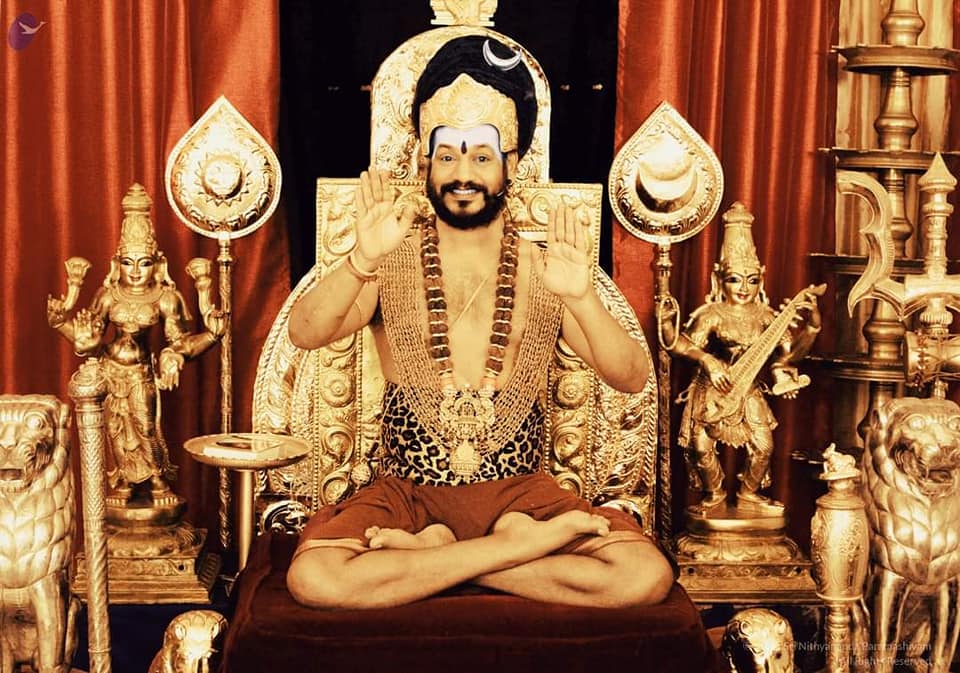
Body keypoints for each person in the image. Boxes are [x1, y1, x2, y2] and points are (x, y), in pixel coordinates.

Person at [285, 35, 674, 609]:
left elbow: (632, 375)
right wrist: (361, 259)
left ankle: (438, 561)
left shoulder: (548, 269)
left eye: (481, 157)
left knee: (643, 574)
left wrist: (583, 297)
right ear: (425, 162)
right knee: (315, 578)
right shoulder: (388, 260)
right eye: (447, 156)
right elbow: (305, 332)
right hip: (409, 495)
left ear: (511, 164)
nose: (462, 173)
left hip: (522, 497)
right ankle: (511, 553)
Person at [47, 184, 224, 505]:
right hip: (110, 371)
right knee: (115, 429)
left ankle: (158, 480)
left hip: (141, 374)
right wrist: (61, 324)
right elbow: (89, 340)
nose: (136, 271)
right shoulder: (108, 295)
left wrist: (211, 336)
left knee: (145, 427)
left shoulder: (165, 297)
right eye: (128, 262)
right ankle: (125, 483)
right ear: (118, 264)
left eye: (144, 263)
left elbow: (181, 343)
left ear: (157, 264)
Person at [659, 202, 821, 515]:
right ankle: (715, 493)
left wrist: (813, 327)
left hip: (749, 388)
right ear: (719, 279)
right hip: (713, 388)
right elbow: (679, 344)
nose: (744, 288)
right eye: (735, 279)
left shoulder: (767, 316)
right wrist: (705, 358)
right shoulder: (712, 314)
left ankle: (749, 492)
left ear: (762, 279)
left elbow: (788, 357)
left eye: (752, 280)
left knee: (764, 445)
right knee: (701, 446)